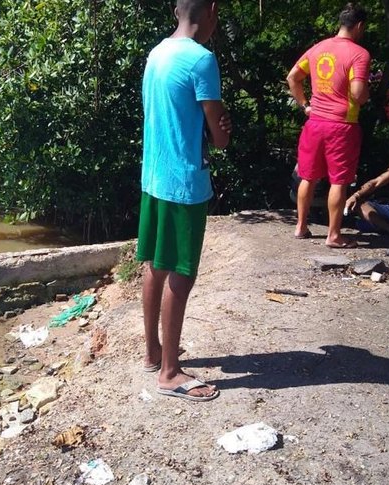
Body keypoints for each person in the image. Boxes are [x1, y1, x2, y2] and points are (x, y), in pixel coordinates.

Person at [138, 0, 231, 402]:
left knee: (155, 264)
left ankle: (153, 353)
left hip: (153, 177)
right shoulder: (201, 61)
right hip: (184, 183)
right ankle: (170, 373)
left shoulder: (157, 53)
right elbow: (219, 135)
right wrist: (223, 127)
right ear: (210, 9)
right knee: (181, 272)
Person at [287, 3, 371, 248]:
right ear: (359, 26)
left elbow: (293, 77)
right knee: (338, 181)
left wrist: (305, 105)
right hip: (342, 126)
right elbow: (357, 94)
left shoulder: (318, 48)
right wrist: (366, 94)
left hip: (314, 123)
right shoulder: (359, 54)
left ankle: (301, 227)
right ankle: (334, 235)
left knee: (307, 176)